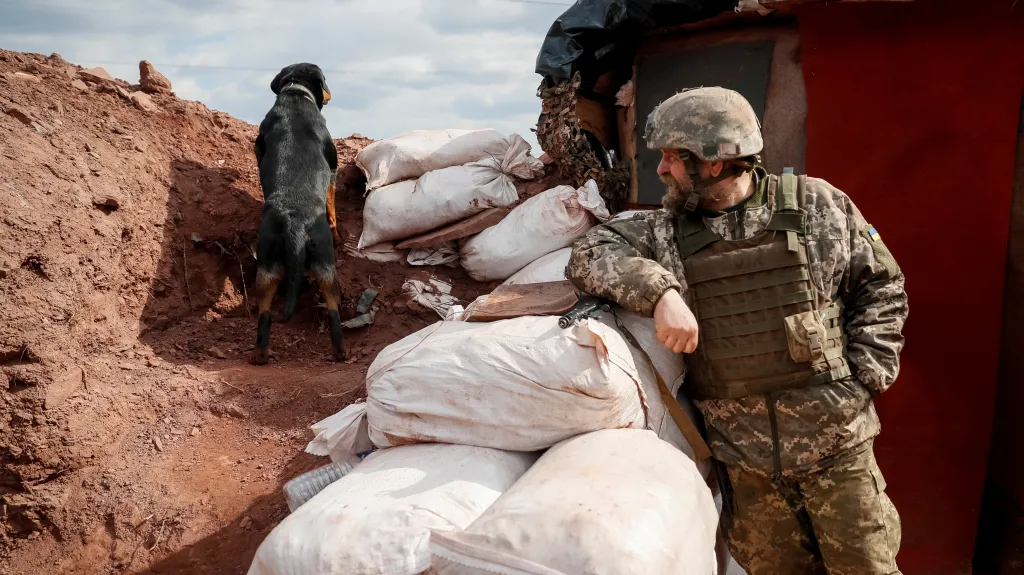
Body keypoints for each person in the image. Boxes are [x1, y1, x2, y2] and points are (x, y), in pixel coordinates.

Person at [567, 86, 908, 575]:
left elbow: (883, 287)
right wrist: (661, 294)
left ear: (714, 162)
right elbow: (588, 254)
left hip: (838, 450)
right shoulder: (664, 232)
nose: (661, 170)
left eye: (671, 158)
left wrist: (867, 377)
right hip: (747, 467)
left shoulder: (820, 206)